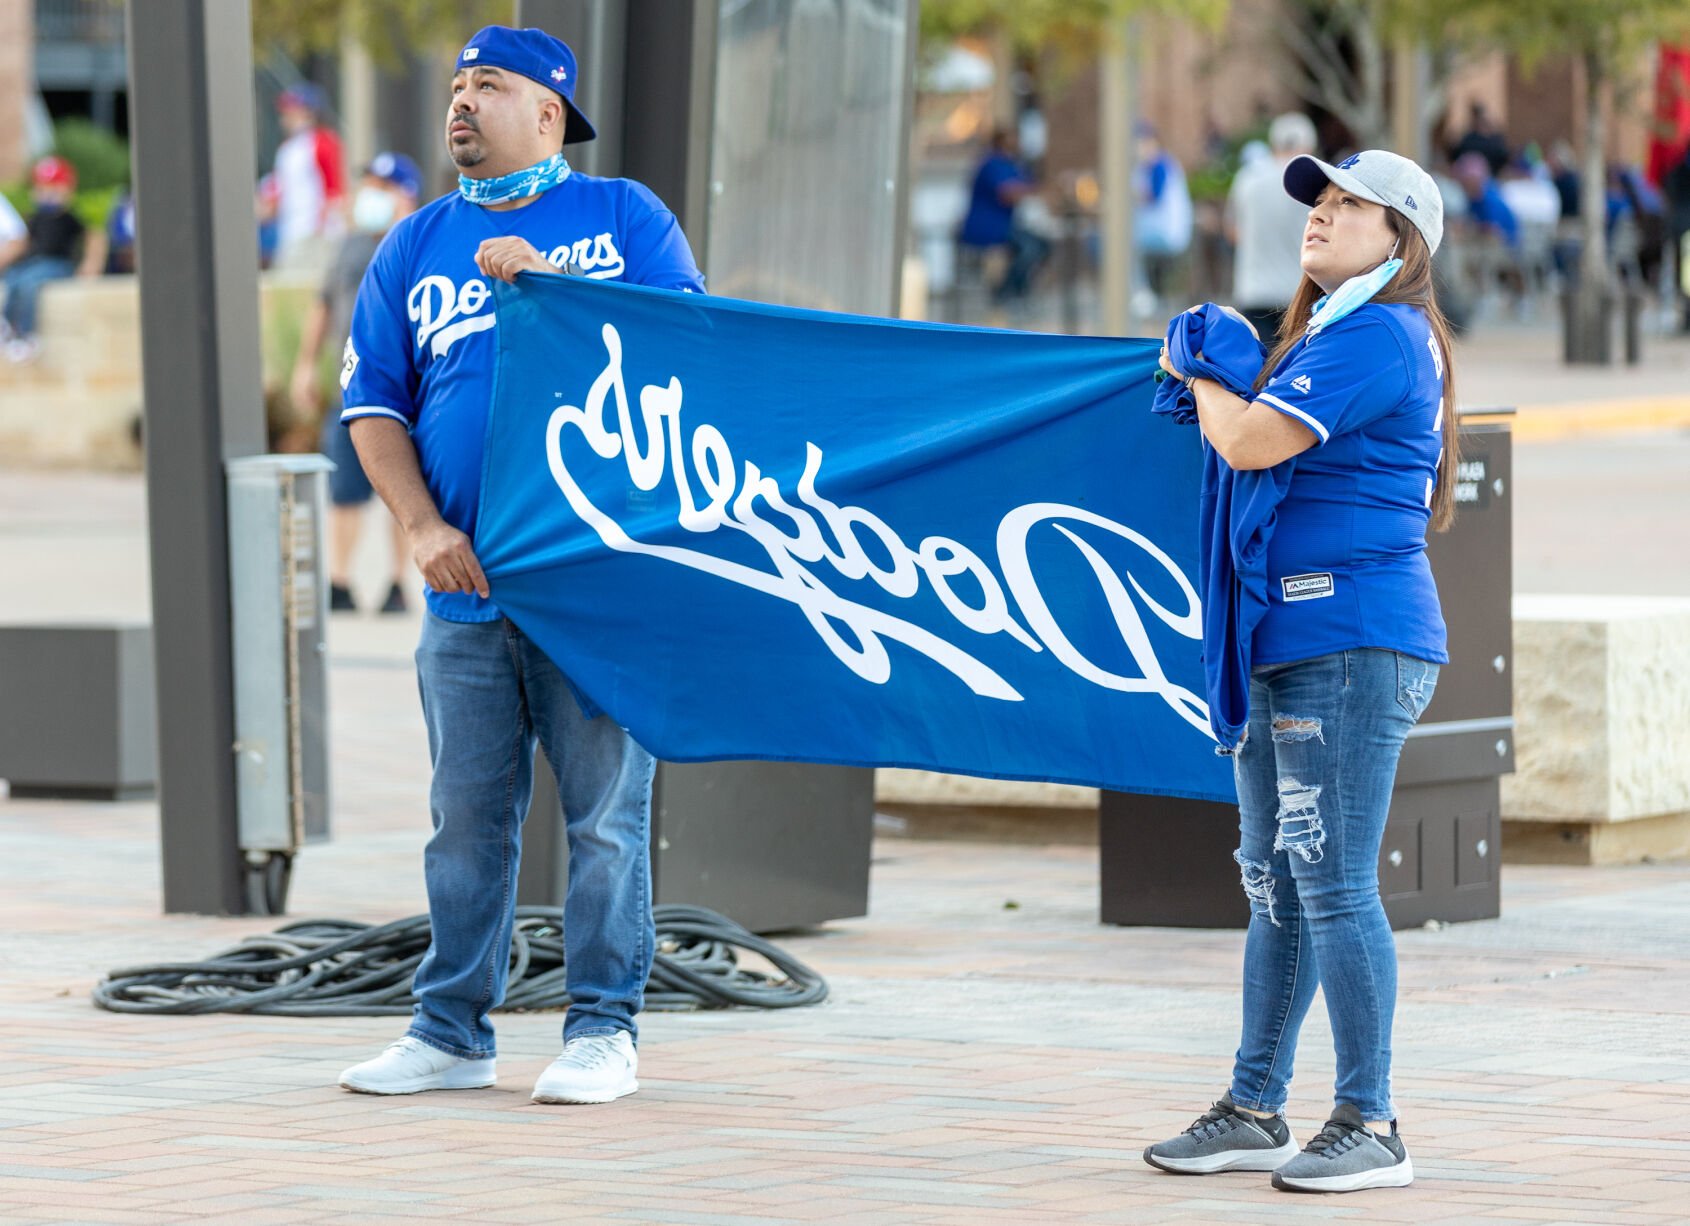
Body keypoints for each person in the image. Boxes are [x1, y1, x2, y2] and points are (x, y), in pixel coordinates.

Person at [334, 25, 704, 1105]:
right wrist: (417, 527)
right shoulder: (412, 241)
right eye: (453, 86)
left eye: (486, 87)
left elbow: (686, 351)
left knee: (603, 817)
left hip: (597, 579)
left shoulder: (623, 217)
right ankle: (451, 1030)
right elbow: (374, 406)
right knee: (466, 817)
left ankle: (603, 1028)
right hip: (464, 585)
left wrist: (551, 283)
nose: (459, 103)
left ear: (547, 112)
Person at [1146, 148, 1456, 1193]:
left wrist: (1201, 368)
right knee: (1277, 887)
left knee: (1326, 883)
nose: (1317, 217)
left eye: (1345, 205)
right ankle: (1252, 1105)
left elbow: (1245, 444)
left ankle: (1371, 1121)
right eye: (1315, 203)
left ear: (1398, 239)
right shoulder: (1328, 330)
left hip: (1351, 641)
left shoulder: (1378, 333)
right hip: (1290, 639)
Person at [290, 152, 424, 615]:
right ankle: (340, 582)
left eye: (382, 188)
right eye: (368, 184)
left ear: (406, 195)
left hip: (409, 392)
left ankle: (396, 582)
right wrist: (305, 366)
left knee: (404, 487)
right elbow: (322, 305)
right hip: (351, 389)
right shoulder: (350, 246)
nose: (371, 196)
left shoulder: (419, 244)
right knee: (344, 488)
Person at [2, 156, 104, 364]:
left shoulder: (69, 218)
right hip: (35, 262)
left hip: (58, 264)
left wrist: (91, 264)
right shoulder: (35, 217)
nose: (48, 195)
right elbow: (22, 242)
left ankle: (27, 334)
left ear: (68, 191)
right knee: (13, 280)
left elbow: (95, 237)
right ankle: (8, 327)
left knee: (29, 284)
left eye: (55, 189)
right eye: (43, 189)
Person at [1226, 112, 1319, 340]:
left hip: (1253, 290)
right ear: (1309, 145)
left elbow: (1233, 231)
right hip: (1299, 294)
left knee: (1258, 369)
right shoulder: (1314, 182)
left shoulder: (1247, 178)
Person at [957, 126, 1048, 305]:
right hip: (986, 228)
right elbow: (1009, 193)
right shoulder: (992, 164)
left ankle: (1020, 291)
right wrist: (1033, 191)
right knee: (1030, 248)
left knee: (1043, 245)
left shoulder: (1013, 165)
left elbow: (1028, 186)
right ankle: (1006, 294)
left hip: (1005, 226)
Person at [269, 84, 346, 268]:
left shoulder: (322, 141)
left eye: (293, 111)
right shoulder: (288, 147)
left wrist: (324, 226)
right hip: (290, 229)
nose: (286, 117)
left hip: (314, 231)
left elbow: (334, 188)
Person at [1136, 124, 1194, 310]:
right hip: (1160, 229)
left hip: (1167, 232)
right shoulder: (1152, 165)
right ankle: (1145, 294)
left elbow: (1154, 196)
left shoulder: (1160, 164)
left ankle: (1143, 295)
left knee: (1120, 248)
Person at [1450, 102, 1510, 175]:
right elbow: (1457, 153)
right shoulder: (1469, 138)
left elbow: (1503, 157)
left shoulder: (1495, 139)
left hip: (1491, 174)